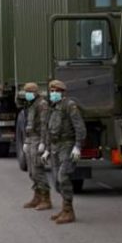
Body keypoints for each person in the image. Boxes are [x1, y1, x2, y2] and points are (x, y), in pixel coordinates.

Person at [41, 79, 86, 224]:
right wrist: (47, 150)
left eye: (56, 91)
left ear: (63, 92)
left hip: (67, 145)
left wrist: (78, 146)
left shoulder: (69, 106)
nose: (53, 93)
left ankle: (69, 211)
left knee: (63, 176)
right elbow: (49, 130)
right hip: (54, 147)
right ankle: (64, 208)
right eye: (52, 91)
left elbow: (80, 127)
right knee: (56, 180)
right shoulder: (52, 107)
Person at [21, 82, 52, 211]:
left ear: (34, 92)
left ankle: (46, 199)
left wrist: (43, 143)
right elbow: (29, 125)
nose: (26, 94)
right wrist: (26, 142)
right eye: (26, 92)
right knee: (31, 171)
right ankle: (37, 196)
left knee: (38, 169)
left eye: (28, 92)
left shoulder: (42, 105)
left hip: (39, 139)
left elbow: (45, 126)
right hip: (31, 139)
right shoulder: (31, 104)